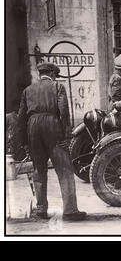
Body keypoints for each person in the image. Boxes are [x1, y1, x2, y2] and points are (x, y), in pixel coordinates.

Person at [16, 62, 86, 220]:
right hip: (52, 125)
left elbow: (21, 118)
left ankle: (41, 209)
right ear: (53, 74)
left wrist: (24, 142)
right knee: (64, 169)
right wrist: (67, 136)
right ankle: (70, 210)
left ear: (39, 74)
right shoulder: (57, 87)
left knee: (38, 169)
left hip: (32, 127)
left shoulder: (27, 90)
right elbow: (64, 111)